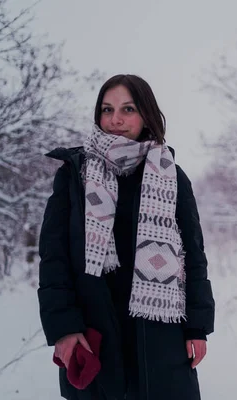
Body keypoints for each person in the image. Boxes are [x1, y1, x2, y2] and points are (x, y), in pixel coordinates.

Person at [37, 74, 215, 400]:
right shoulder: (74, 175)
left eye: (128, 109)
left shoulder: (171, 176)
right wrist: (64, 328)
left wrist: (197, 327)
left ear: (146, 114)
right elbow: (54, 259)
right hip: (95, 332)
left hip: (160, 335)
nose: (115, 119)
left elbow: (194, 256)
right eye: (107, 109)